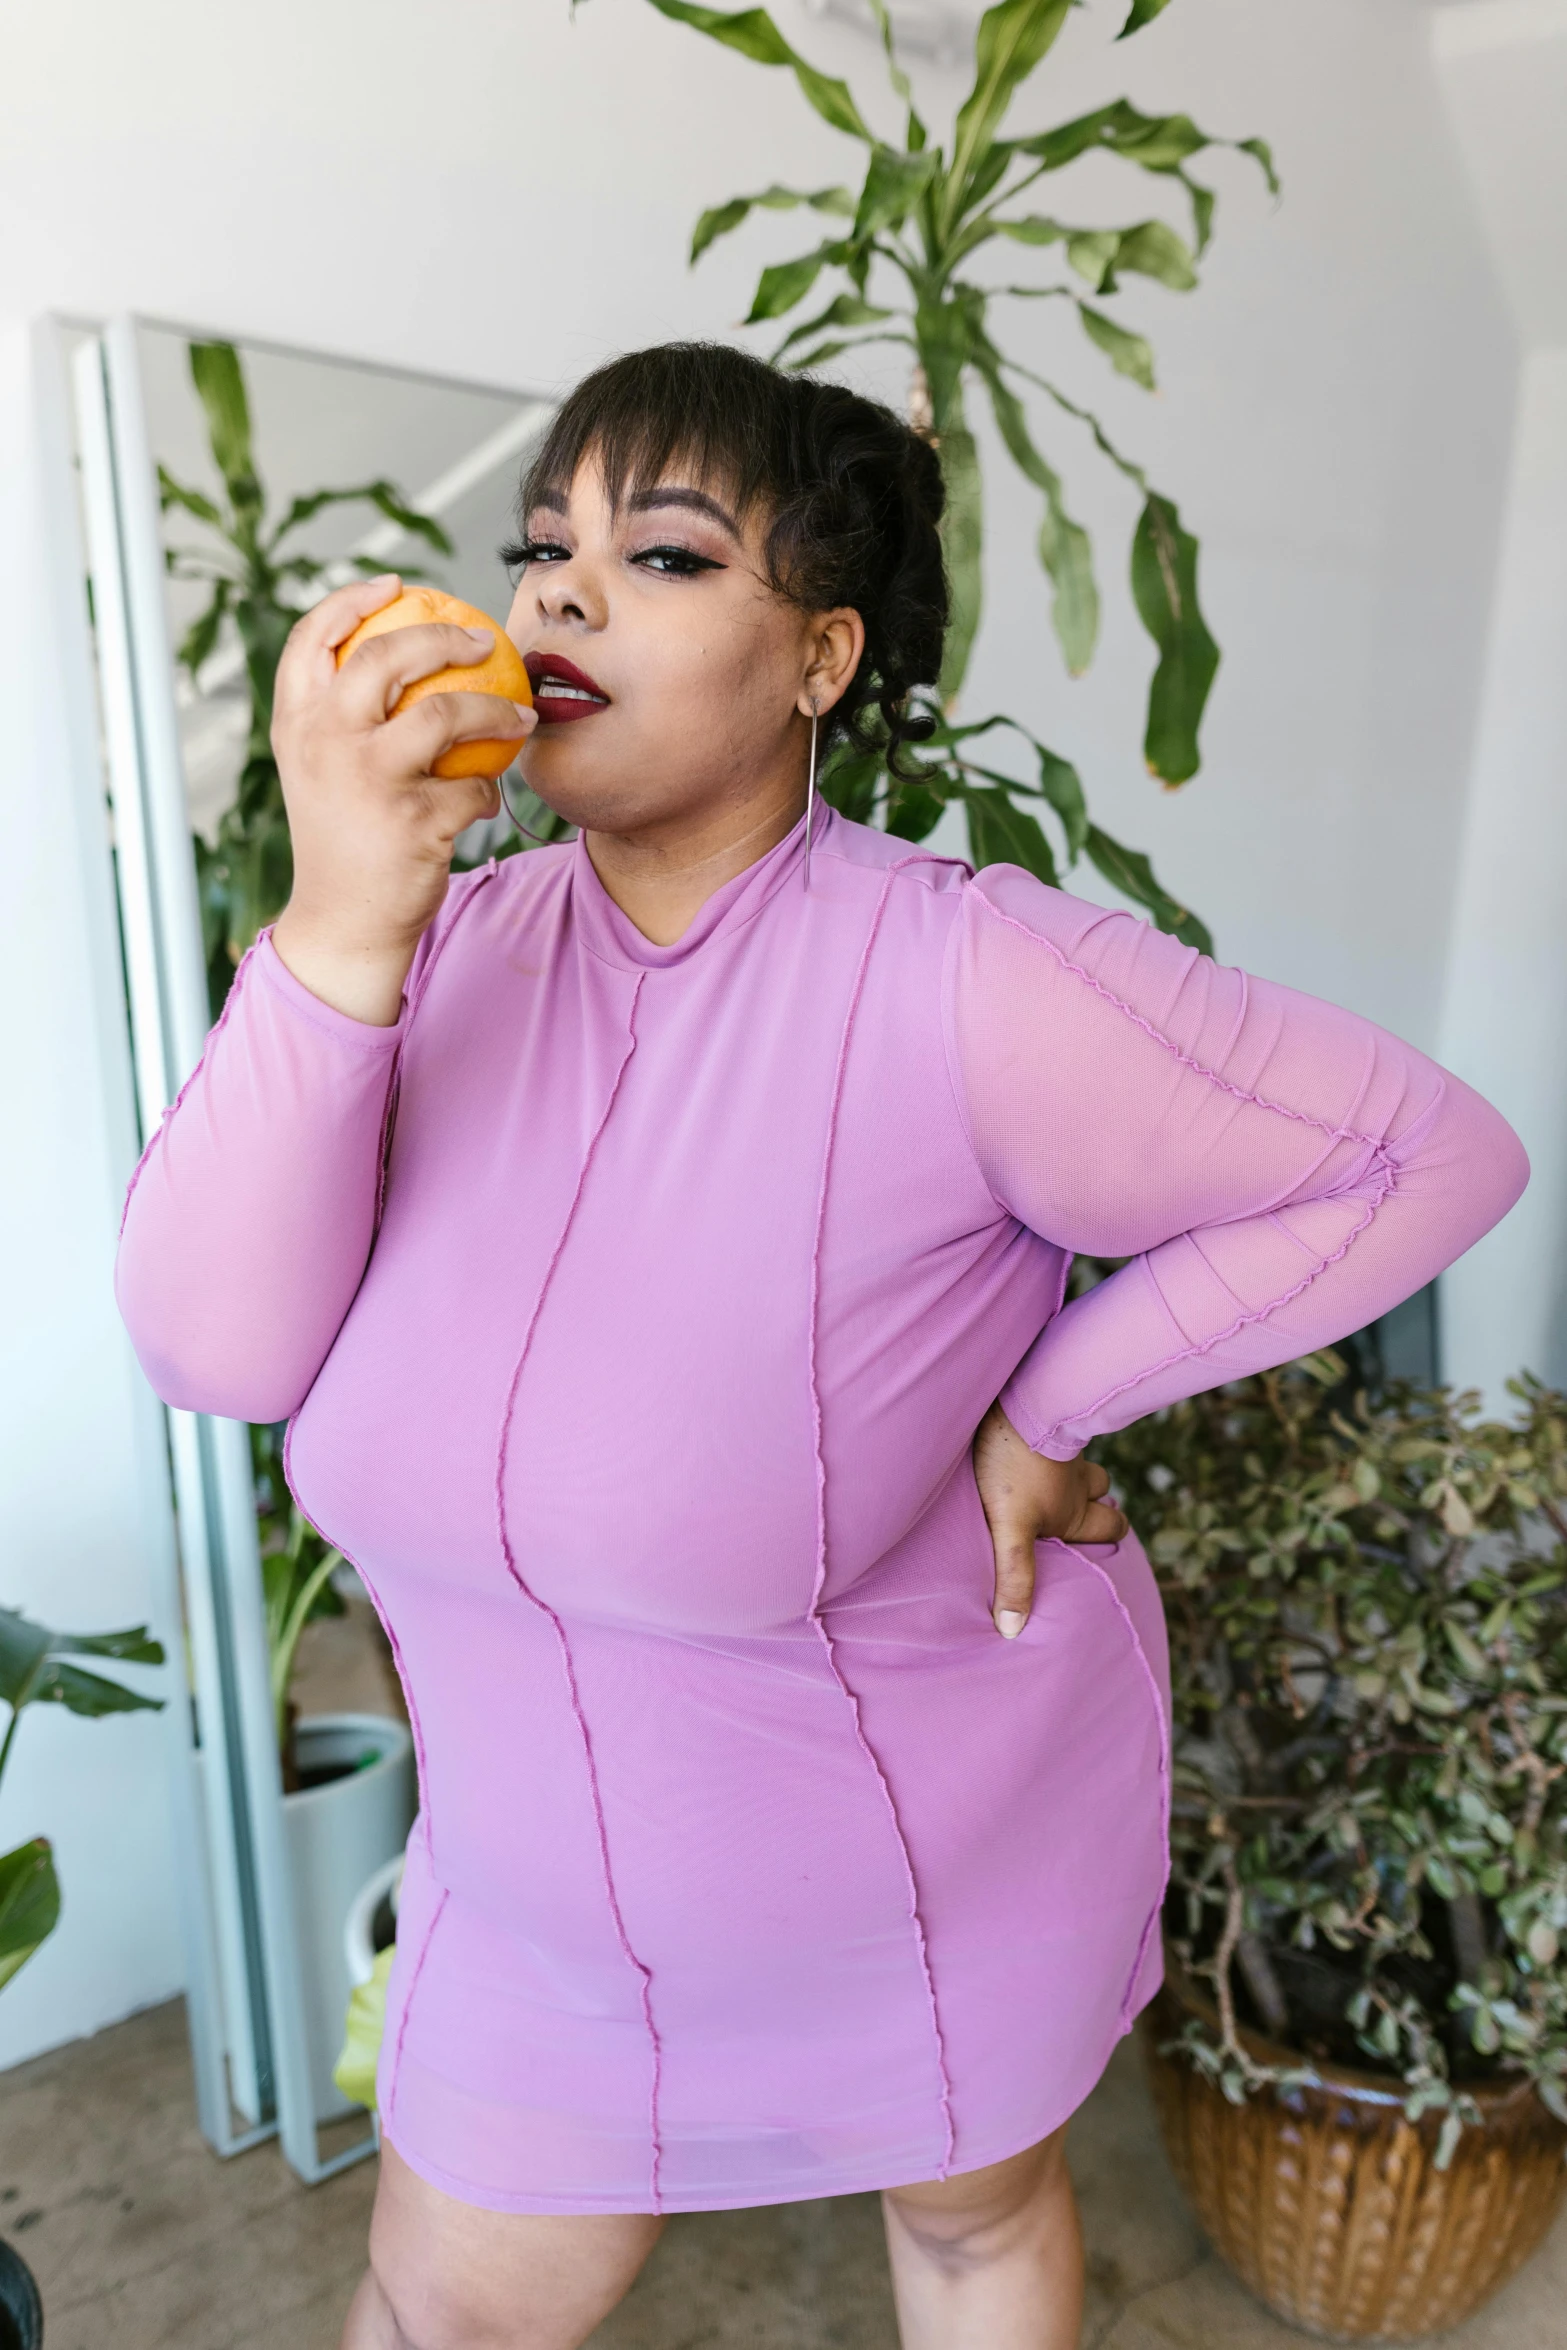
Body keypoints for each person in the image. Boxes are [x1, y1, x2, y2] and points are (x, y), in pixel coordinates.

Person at [116, 343, 1527, 2350]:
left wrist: (1055, 1402)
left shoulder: (968, 971)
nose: (561, 597)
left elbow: (1425, 1152)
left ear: (821, 657)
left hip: (917, 1854)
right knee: (435, 2312)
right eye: (543, 549)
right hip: (529, 1903)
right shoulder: (434, 958)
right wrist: (338, 932)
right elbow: (212, 1346)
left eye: (666, 553)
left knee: (967, 2229)